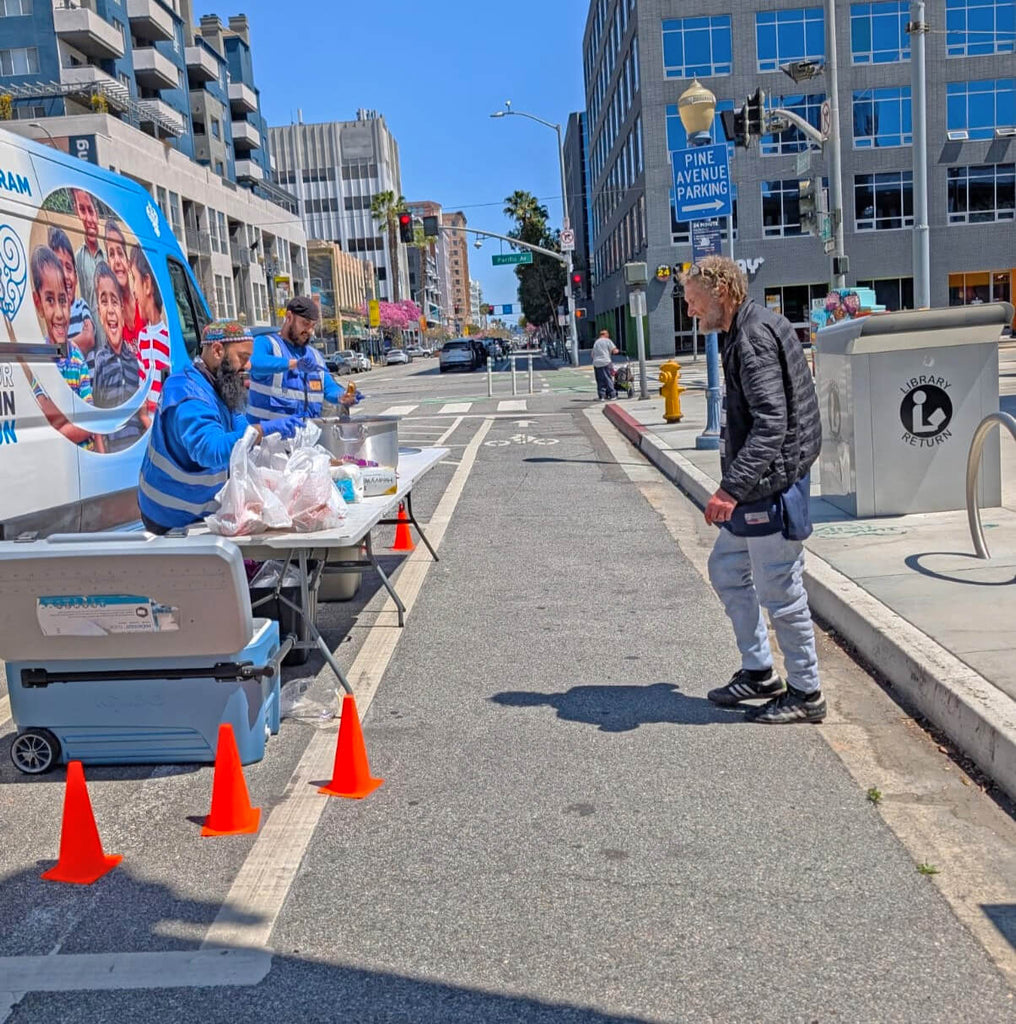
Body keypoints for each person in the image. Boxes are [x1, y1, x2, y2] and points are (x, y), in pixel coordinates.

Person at [680, 256, 825, 724]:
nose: (690, 312)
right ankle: (760, 671)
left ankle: (806, 692)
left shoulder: (752, 339)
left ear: (720, 293)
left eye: (693, 301)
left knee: (780, 591)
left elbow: (771, 425)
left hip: (770, 486)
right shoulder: (744, 328)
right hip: (760, 484)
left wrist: (730, 490)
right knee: (726, 568)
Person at [138, 320, 302, 535]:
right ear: (217, 351)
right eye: (242, 358)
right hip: (171, 517)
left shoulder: (217, 385)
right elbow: (211, 450)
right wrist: (262, 432)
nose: (247, 367)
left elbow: (240, 428)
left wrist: (260, 432)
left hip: (202, 510)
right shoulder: (186, 392)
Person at [28, 245, 103, 451]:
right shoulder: (38, 361)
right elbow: (47, 422)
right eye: (50, 300)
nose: (60, 313)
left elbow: (89, 420)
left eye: (63, 300)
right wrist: (70, 424)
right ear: (38, 303)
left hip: (85, 460)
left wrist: (62, 425)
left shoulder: (77, 358)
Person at [246, 295, 354, 424]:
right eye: (305, 324)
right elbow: (254, 362)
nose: (309, 331)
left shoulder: (315, 356)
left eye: (313, 326)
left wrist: (341, 396)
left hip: (305, 439)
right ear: (289, 317)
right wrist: (292, 364)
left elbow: (329, 387)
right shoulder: (267, 343)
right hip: (267, 440)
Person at [91, 261, 145, 452]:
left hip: (137, 447)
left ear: (122, 310)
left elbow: (141, 412)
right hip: (114, 451)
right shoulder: (101, 361)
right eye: (104, 302)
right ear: (98, 312)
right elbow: (97, 418)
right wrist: (103, 455)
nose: (111, 310)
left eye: (115, 301)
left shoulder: (133, 361)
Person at [130, 245, 170, 422]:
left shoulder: (168, 336)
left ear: (147, 284)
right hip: (151, 425)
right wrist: (146, 418)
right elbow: (142, 382)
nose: (134, 292)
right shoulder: (143, 336)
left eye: (134, 279)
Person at [47, 226, 96, 364]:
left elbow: (88, 339)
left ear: (76, 276)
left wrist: (59, 349)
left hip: (86, 383)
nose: (64, 276)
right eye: (58, 267)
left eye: (68, 268)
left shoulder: (81, 306)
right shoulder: (53, 315)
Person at [106, 219, 144, 348]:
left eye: (120, 253)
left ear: (128, 264)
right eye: (111, 254)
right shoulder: (110, 315)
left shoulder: (143, 304)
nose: (117, 261)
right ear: (108, 266)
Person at [71, 188, 105, 331]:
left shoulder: (109, 255)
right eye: (82, 210)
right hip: (92, 347)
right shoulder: (77, 258)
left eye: (90, 211)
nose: (89, 219)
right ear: (76, 212)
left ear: (97, 214)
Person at [591, 329, 619, 399]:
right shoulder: (607, 341)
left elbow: (592, 354)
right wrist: (617, 351)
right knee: (608, 378)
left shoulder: (596, 342)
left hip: (596, 363)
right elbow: (614, 351)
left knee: (600, 380)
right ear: (606, 334)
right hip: (606, 362)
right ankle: (612, 394)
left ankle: (602, 396)